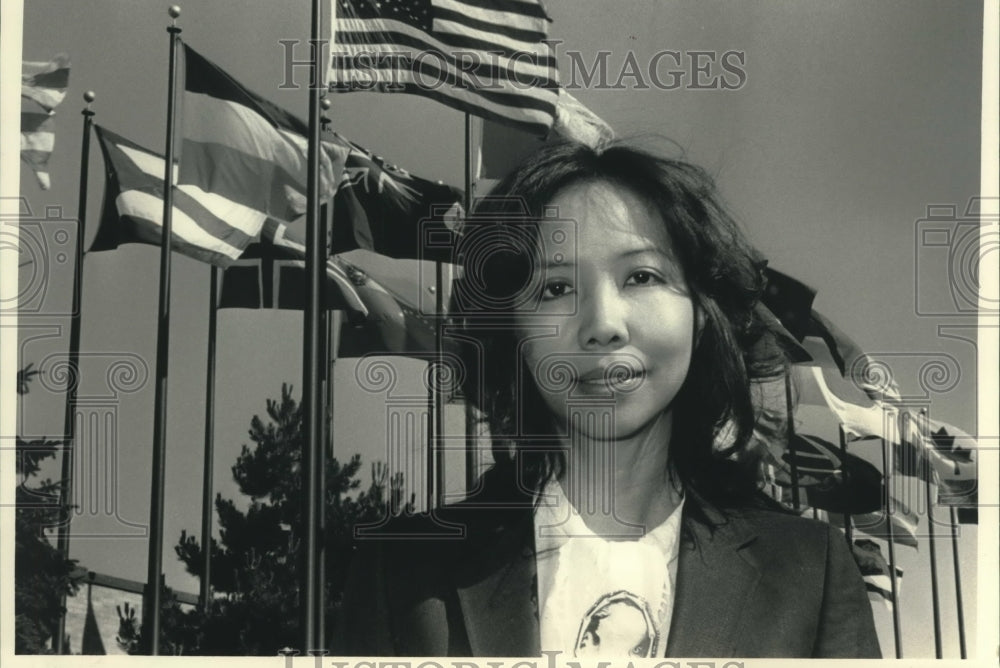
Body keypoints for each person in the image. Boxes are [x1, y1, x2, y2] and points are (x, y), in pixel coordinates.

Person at [335, 137, 881, 659]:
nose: (602, 324)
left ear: (700, 314)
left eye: (641, 276)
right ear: (515, 333)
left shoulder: (812, 574)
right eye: (555, 288)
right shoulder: (402, 573)